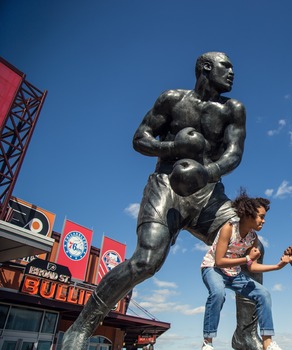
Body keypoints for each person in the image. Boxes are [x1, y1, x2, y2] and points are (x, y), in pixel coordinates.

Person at [61, 52, 249, 349]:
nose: (232, 72)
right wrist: (175, 146)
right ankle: (82, 325)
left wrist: (206, 171)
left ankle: (245, 336)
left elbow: (234, 154)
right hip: (167, 186)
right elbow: (140, 138)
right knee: (147, 261)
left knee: (251, 248)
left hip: (207, 192)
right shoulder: (172, 99)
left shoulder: (233, 109)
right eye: (226, 66)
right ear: (205, 68)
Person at [200, 189, 289, 350]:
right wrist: (247, 258)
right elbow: (219, 261)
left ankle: (268, 343)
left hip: (234, 273)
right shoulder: (229, 228)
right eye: (261, 217)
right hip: (212, 269)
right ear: (249, 215)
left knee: (263, 294)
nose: (263, 221)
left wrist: (277, 266)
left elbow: (252, 267)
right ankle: (208, 342)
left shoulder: (253, 238)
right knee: (218, 293)